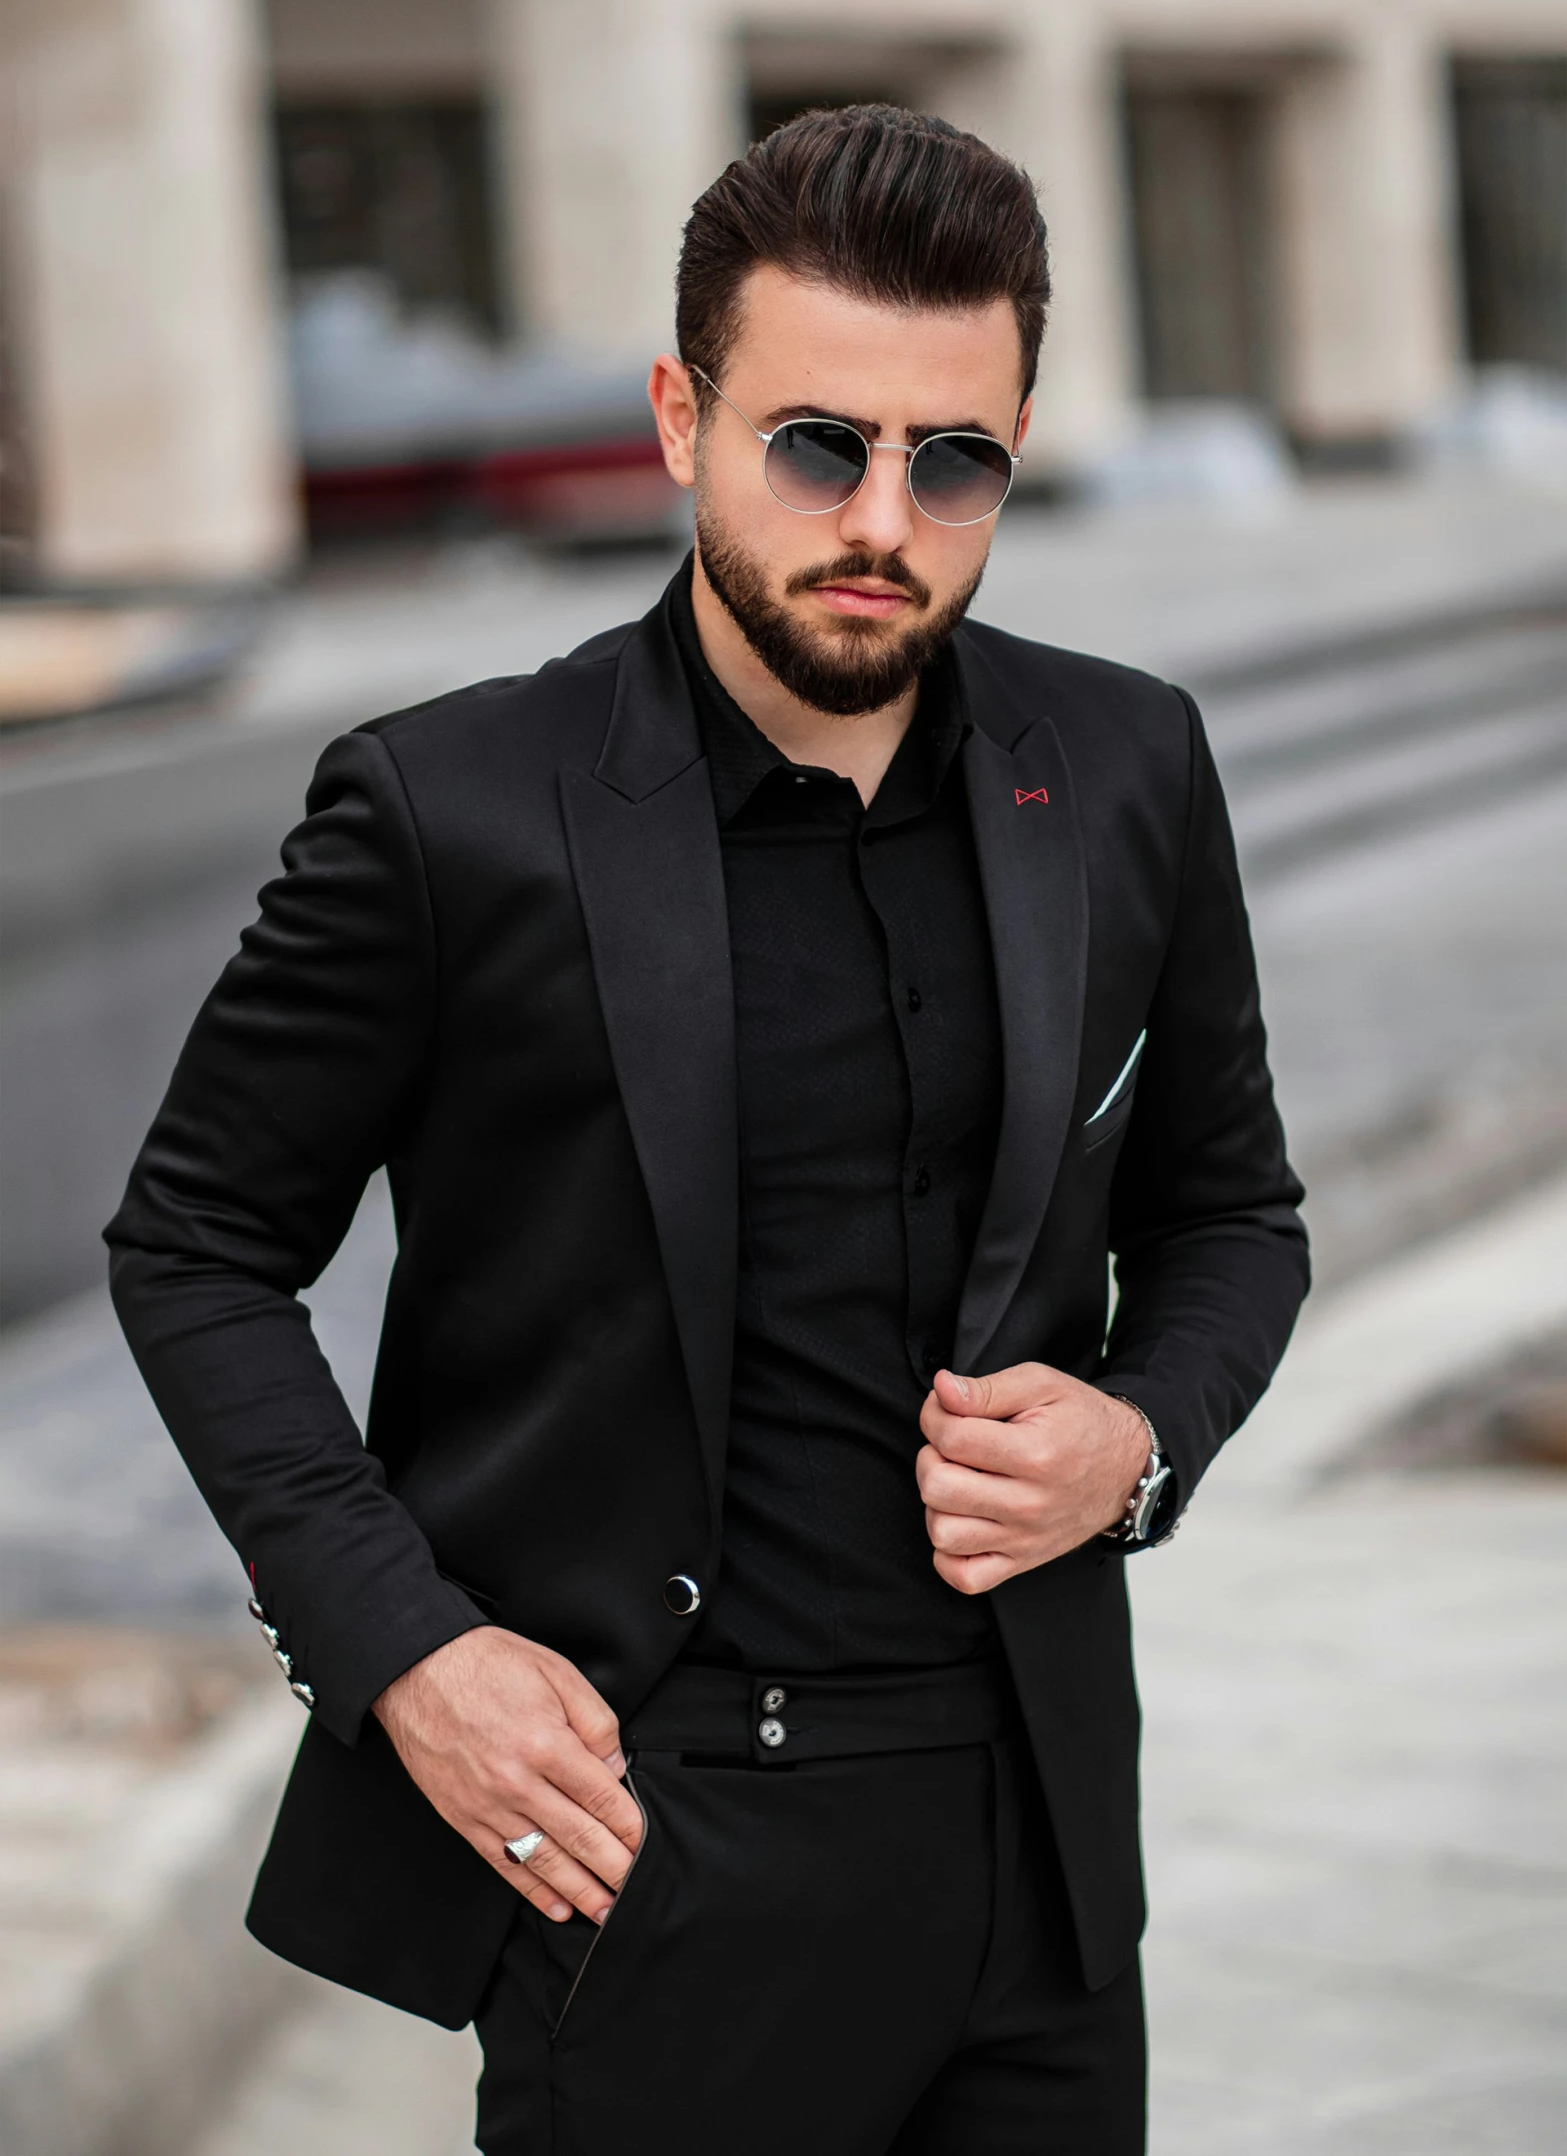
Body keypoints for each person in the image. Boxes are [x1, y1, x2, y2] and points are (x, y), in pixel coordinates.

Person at [108, 105, 1308, 2155]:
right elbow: (196, 1242)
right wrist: (406, 1647)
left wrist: (1144, 1431)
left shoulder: (1120, 765)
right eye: (816, 443)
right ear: (683, 414)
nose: (883, 519)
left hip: (1036, 1861)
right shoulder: (450, 814)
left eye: (955, 460)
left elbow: (1237, 1215)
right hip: (653, 1864)